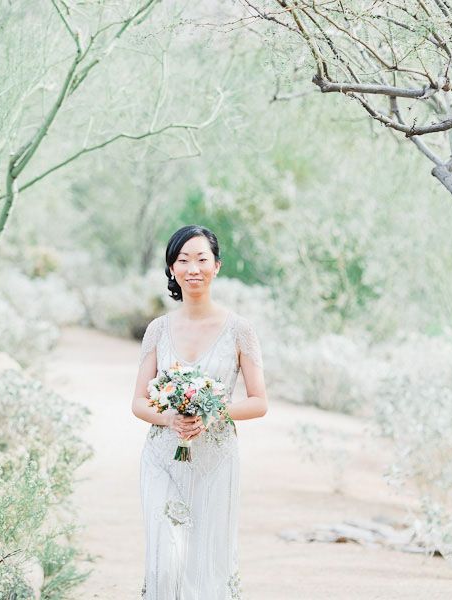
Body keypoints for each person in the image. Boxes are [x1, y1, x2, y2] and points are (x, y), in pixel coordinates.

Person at [131, 225, 268, 599]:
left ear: (216, 266)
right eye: (183, 260)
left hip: (215, 462)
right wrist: (168, 418)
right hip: (162, 457)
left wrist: (214, 413)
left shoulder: (240, 330)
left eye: (201, 259)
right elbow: (139, 402)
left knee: (207, 563)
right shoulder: (158, 330)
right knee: (166, 559)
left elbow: (259, 401)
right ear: (172, 268)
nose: (193, 268)